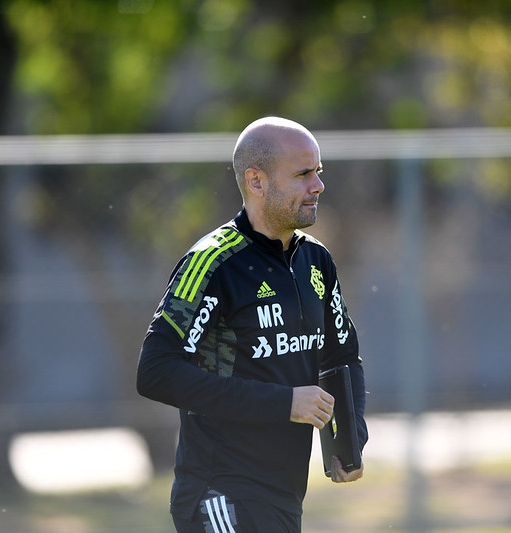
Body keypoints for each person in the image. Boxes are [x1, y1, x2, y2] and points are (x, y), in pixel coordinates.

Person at [136, 116, 368, 533]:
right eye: (302, 174)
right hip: (218, 491)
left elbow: (341, 354)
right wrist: (284, 403)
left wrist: (347, 438)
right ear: (256, 181)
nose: (318, 186)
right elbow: (156, 372)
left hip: (284, 496)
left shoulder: (316, 261)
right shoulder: (213, 263)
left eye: (319, 172)